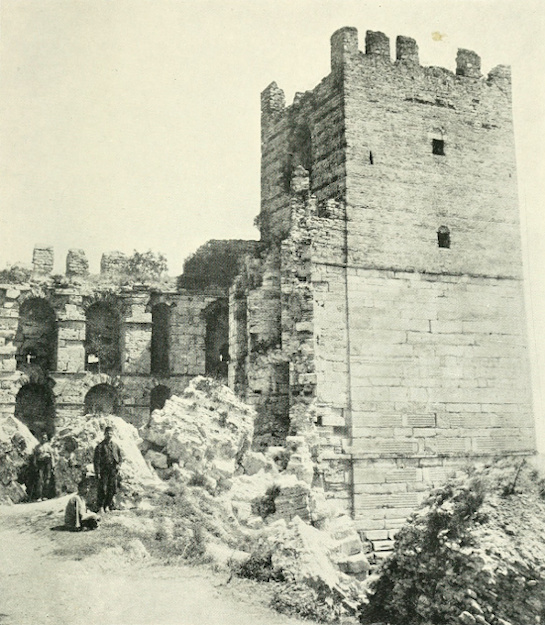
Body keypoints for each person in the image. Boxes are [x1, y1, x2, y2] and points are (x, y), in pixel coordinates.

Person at [93, 426, 123, 512]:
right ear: (104, 434)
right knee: (102, 489)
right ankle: (100, 506)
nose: (109, 435)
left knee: (112, 489)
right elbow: (96, 461)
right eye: (107, 433)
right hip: (104, 471)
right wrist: (97, 472)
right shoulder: (100, 446)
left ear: (113, 434)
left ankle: (107, 505)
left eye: (111, 433)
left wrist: (119, 465)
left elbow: (120, 457)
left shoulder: (115, 446)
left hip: (113, 470)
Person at [28, 432, 57, 501]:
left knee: (47, 479)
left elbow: (52, 455)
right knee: (40, 480)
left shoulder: (49, 446)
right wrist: (35, 462)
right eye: (43, 438)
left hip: (48, 463)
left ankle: (45, 495)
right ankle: (39, 496)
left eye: (45, 438)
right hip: (40, 464)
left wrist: (53, 464)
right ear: (40, 438)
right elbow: (35, 456)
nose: (44, 439)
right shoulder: (37, 447)